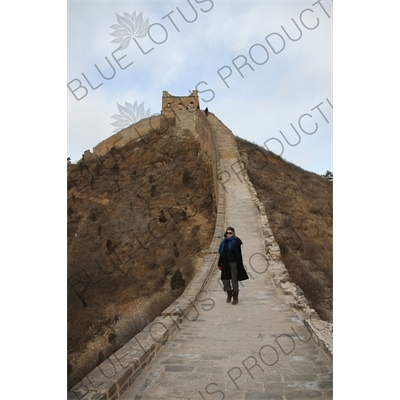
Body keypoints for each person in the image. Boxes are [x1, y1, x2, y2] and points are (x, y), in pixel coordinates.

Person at [217, 227, 249, 305]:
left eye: (230, 233)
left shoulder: (236, 243)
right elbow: (221, 254)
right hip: (225, 264)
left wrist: (240, 265)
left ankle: (235, 297)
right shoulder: (224, 243)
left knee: (234, 281)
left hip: (234, 264)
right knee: (225, 280)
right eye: (227, 233)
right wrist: (219, 263)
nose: (228, 234)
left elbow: (238, 255)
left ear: (233, 233)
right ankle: (229, 293)